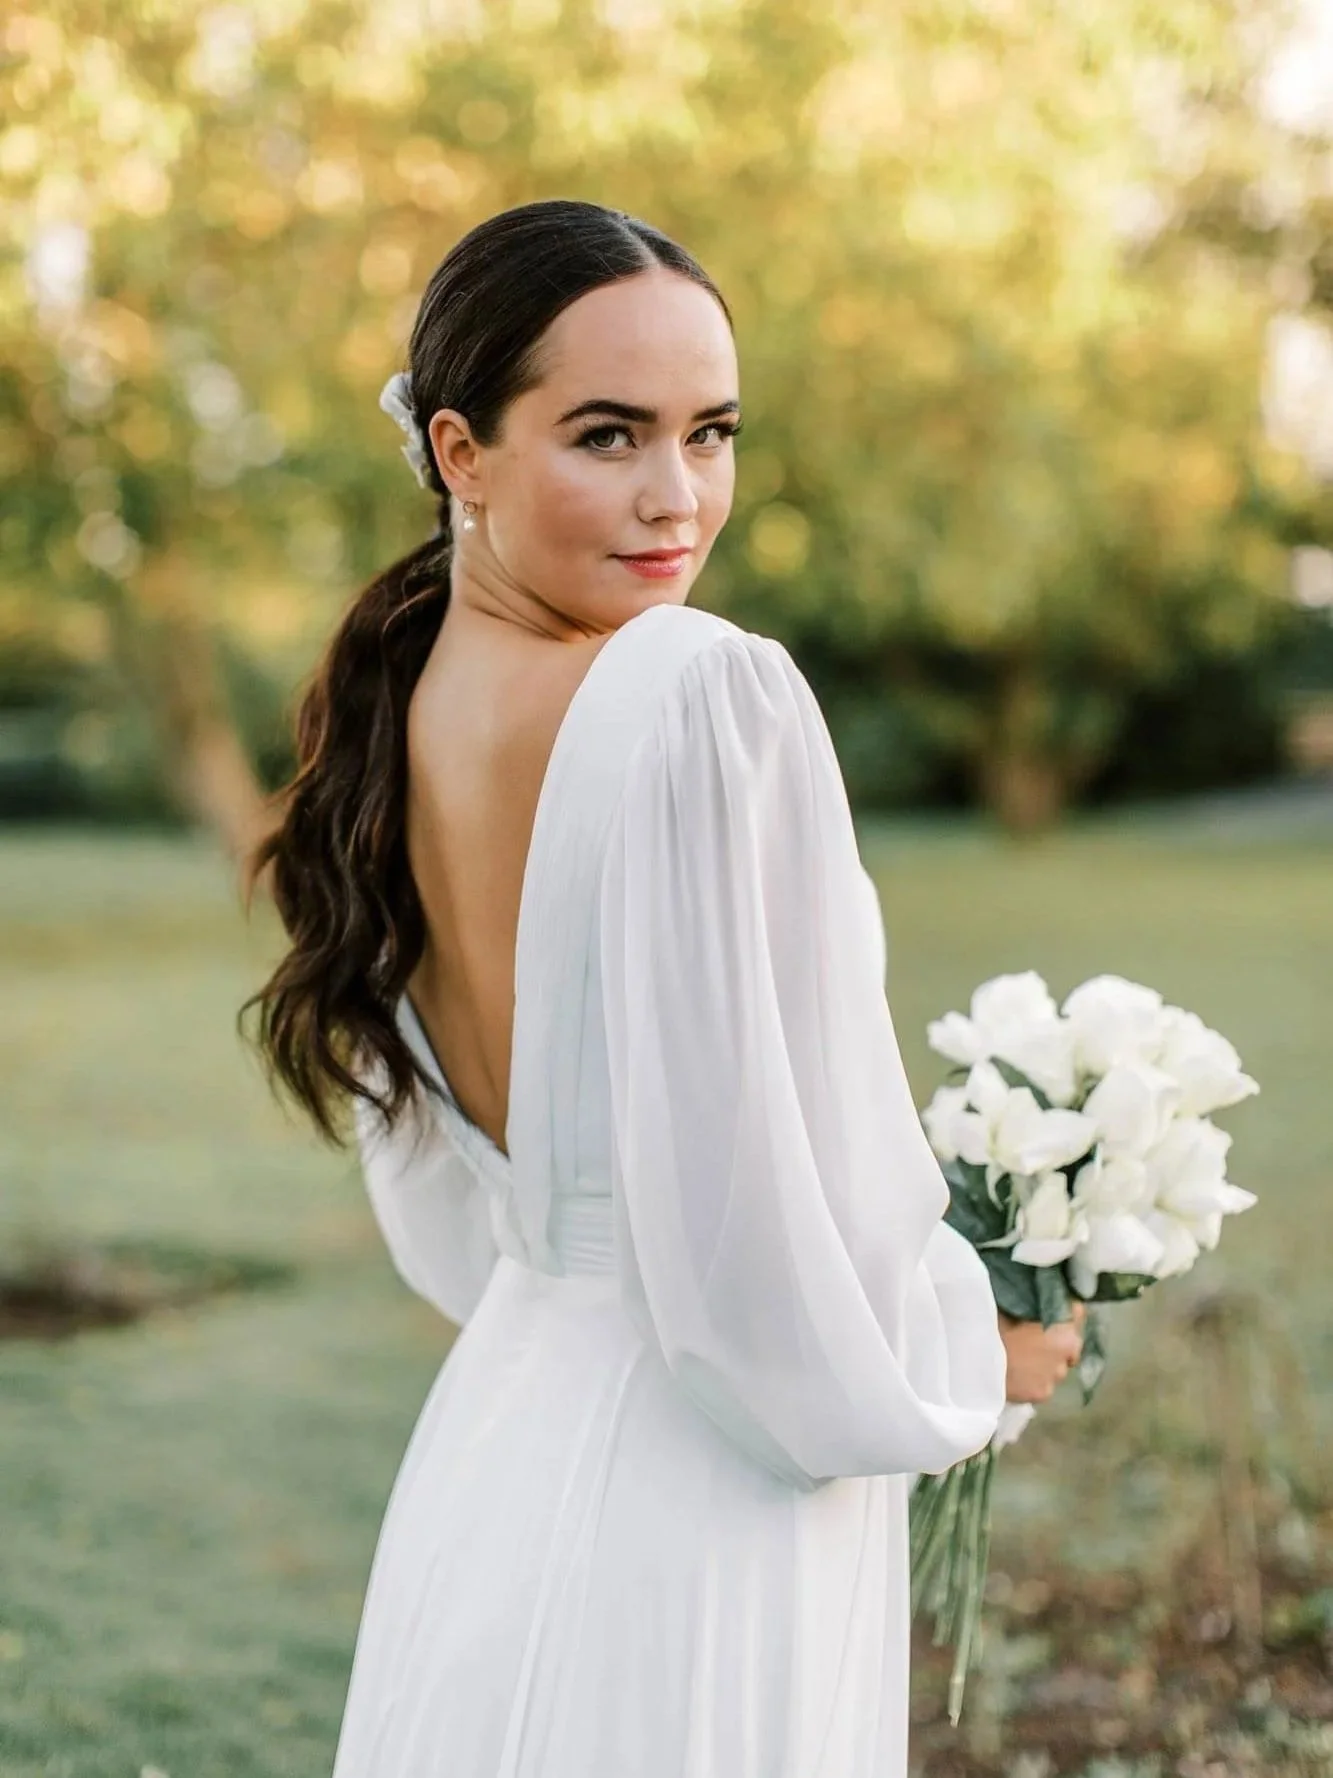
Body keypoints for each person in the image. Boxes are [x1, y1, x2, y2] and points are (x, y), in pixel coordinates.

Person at [244, 198, 1082, 1778]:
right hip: (697, 1495)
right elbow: (769, 1202)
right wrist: (972, 1360)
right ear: (460, 451)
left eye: (712, 433)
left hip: (504, 1436)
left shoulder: (398, 706)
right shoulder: (702, 692)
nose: (676, 497)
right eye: (609, 434)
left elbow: (464, 1207)